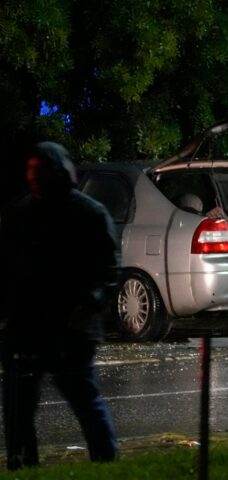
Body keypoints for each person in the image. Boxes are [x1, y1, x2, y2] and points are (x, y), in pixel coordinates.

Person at [0, 142, 120, 469]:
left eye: (39, 171)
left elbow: (108, 271)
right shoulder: (19, 214)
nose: (33, 177)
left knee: (84, 400)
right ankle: (22, 464)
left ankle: (106, 462)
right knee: (19, 407)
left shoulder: (88, 214)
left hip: (70, 328)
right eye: (31, 171)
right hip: (26, 327)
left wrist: (88, 305)